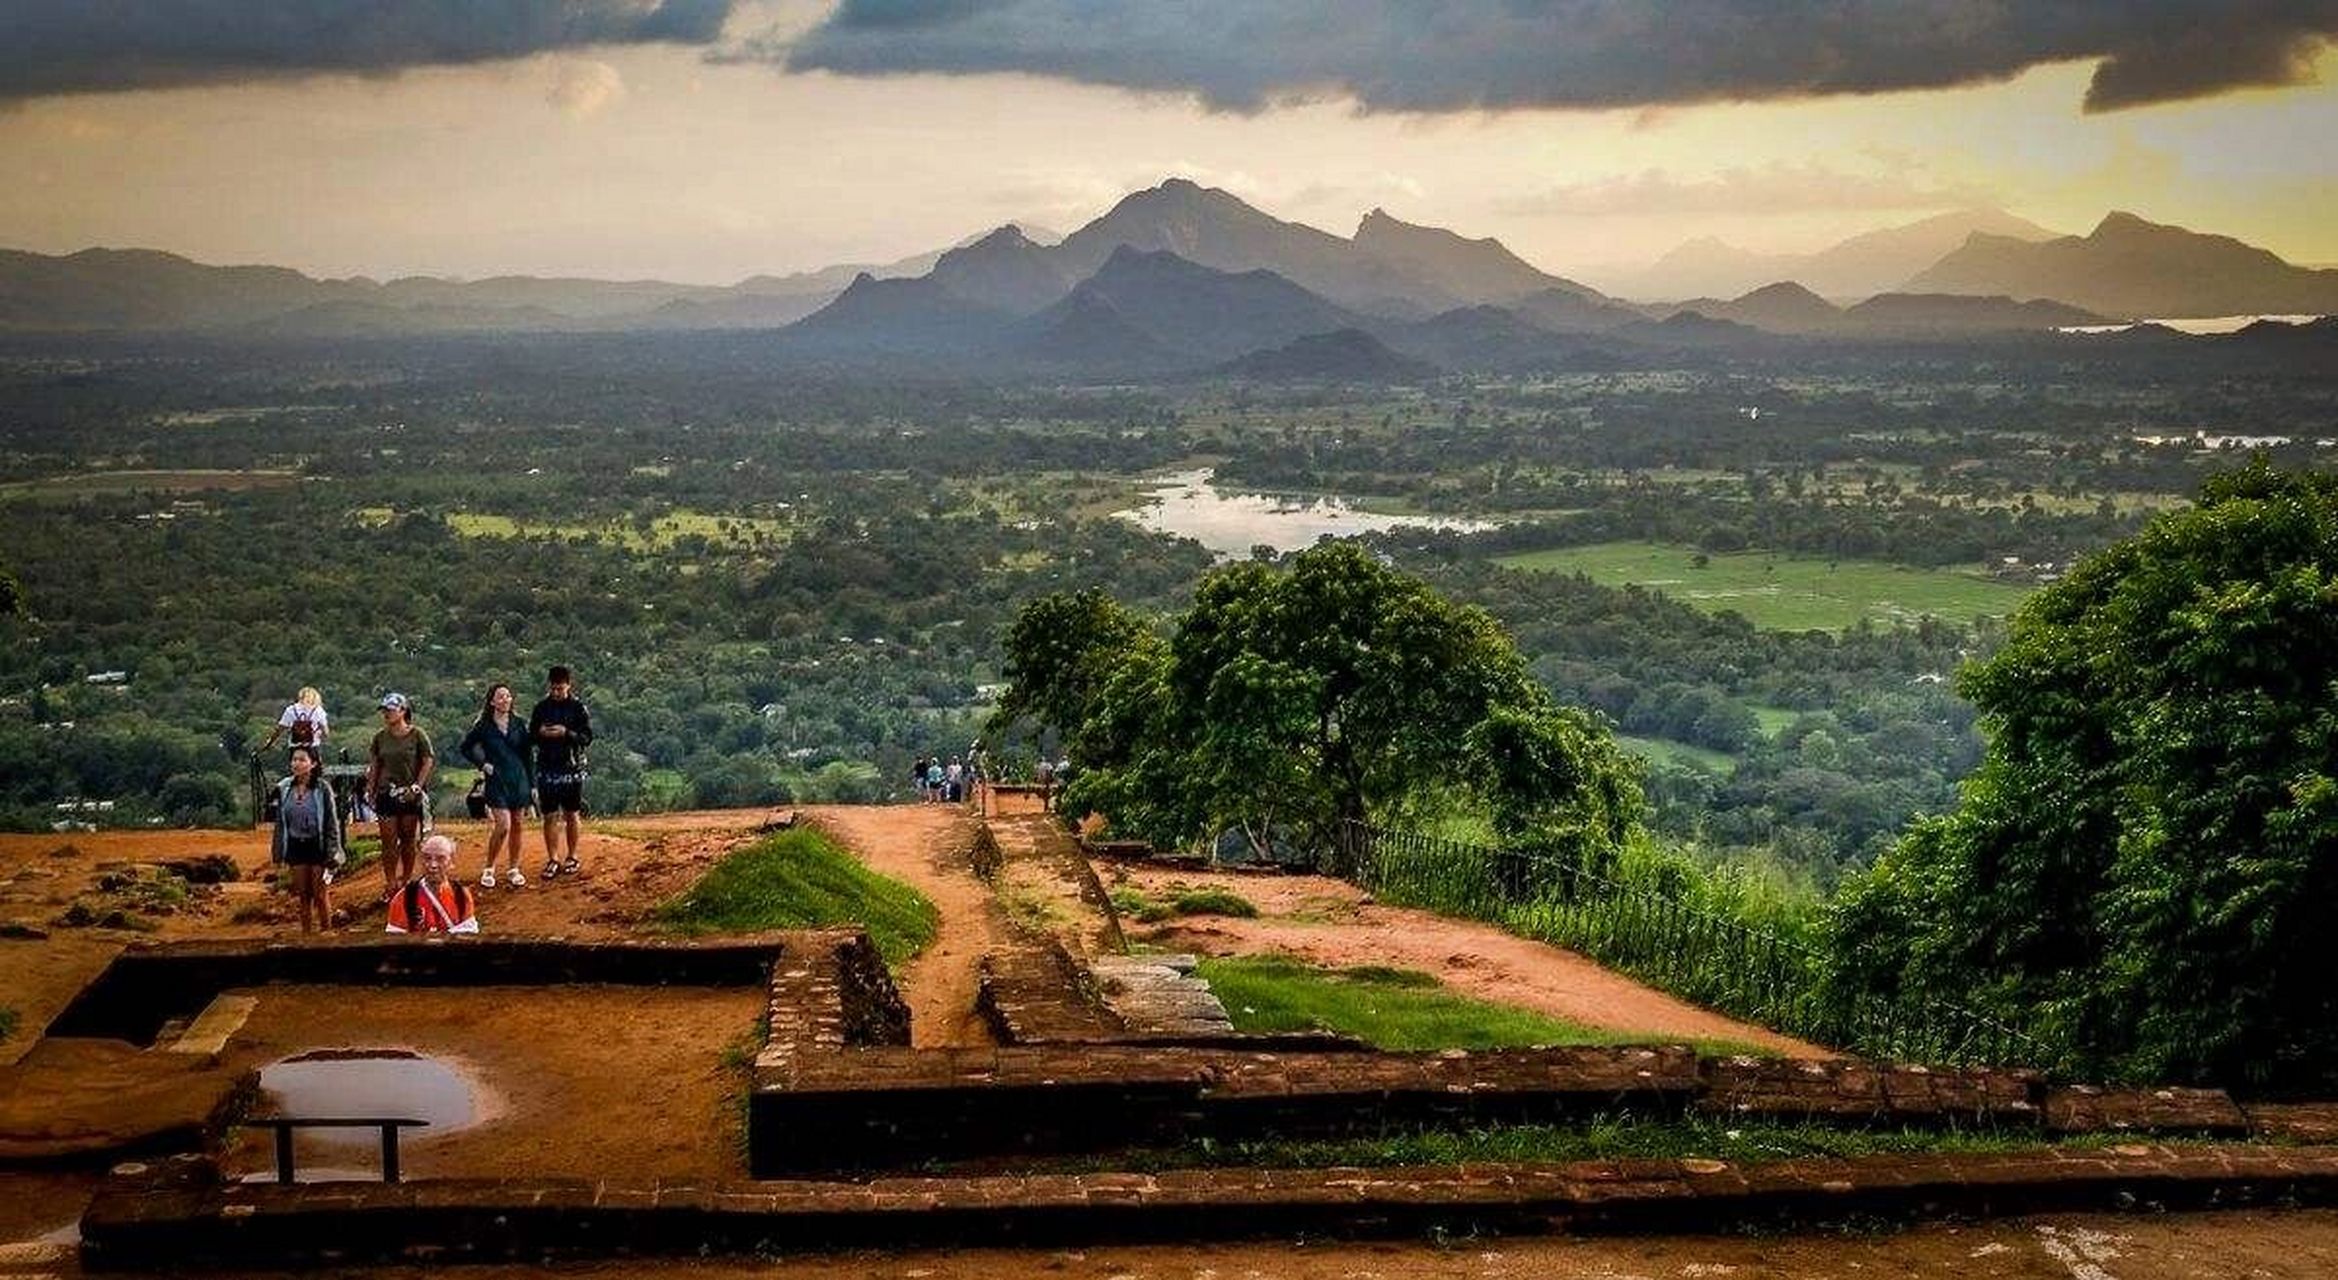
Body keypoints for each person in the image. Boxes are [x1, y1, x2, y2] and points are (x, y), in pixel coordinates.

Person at [459, 682, 534, 890]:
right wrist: (483, 764)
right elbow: (465, 747)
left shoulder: (519, 723)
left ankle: (513, 868)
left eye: (508, 696)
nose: (505, 700)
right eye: (500, 697)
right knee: (503, 825)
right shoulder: (483, 726)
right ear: (492, 701)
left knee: (518, 824)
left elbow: (528, 755)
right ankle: (489, 867)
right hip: (497, 779)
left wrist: (533, 783)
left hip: (519, 778)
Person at [365, 692, 435, 904]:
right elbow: (376, 763)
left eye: (391, 710)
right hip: (387, 791)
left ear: (403, 711)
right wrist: (371, 787)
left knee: (407, 838)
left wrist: (418, 785)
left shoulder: (417, 734)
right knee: (388, 839)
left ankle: (406, 879)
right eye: (385, 711)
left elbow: (427, 760)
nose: (387, 714)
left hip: (409, 792)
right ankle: (390, 882)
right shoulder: (380, 737)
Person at [529, 665, 593, 881]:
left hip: (570, 767)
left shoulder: (578, 708)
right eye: (554, 689)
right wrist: (541, 732)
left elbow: (587, 738)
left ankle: (572, 856)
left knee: (571, 813)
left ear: (568, 685)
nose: (557, 692)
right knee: (548, 815)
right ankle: (553, 858)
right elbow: (531, 736)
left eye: (560, 689)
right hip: (547, 766)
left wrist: (567, 733)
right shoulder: (541, 708)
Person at [271, 744, 342, 933]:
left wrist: (332, 850)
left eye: (302, 760)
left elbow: (331, 821)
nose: (297, 763)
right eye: (294, 759)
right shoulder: (284, 787)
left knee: (320, 893)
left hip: (317, 845)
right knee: (303, 895)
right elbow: (280, 824)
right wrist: (277, 853)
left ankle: (327, 935)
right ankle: (306, 937)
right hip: (295, 844)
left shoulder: (322, 788)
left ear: (313, 764)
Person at [385, 834, 477, 934]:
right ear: (420, 861)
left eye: (440, 858)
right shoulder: (404, 898)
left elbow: (469, 936)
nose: (433, 865)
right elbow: (394, 940)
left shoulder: (462, 896)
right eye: (427, 858)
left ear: (452, 862)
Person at [259, 687, 330, 760]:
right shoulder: (318, 710)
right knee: (314, 768)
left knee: (296, 768)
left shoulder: (290, 710)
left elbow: (279, 730)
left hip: (295, 747)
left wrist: (269, 743)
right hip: (312, 747)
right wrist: (320, 734)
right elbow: (326, 733)